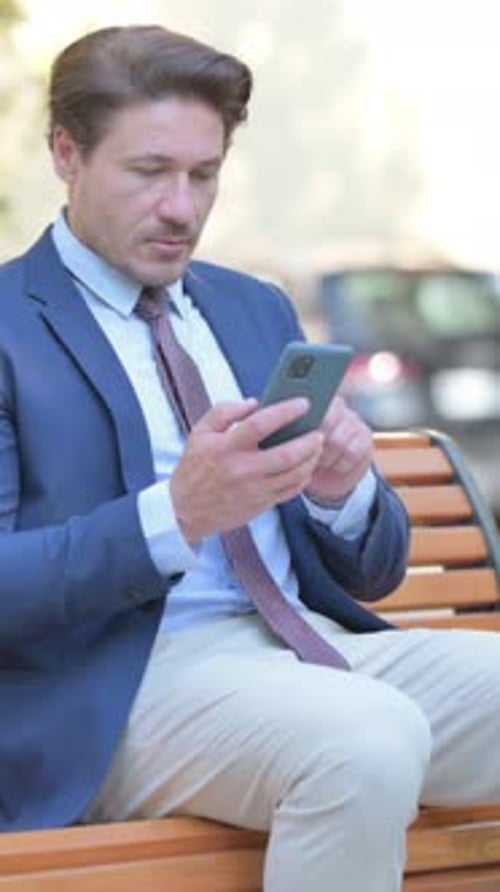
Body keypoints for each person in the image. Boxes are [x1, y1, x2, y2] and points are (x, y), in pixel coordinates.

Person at [0, 24, 499, 892]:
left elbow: (373, 574)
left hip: (302, 649)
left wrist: (343, 492)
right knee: (363, 742)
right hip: (114, 694)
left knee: (367, 726)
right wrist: (179, 514)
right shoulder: (9, 326)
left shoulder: (251, 307)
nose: (182, 207)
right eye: (149, 172)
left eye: (204, 174)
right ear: (66, 155)